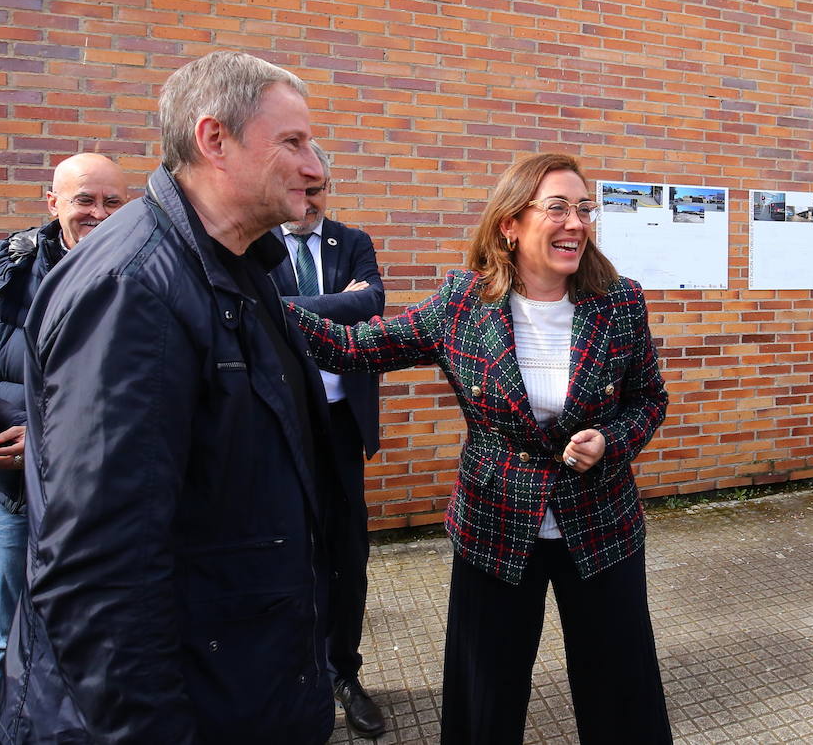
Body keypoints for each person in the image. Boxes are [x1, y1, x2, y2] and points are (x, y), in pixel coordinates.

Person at [0, 51, 337, 743]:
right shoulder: (134, 290)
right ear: (214, 139)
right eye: (293, 143)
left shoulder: (236, 266)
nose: (316, 167)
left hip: (236, 681)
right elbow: (99, 573)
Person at [289, 152, 674, 745]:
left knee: (622, 689)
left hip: (602, 525)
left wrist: (613, 440)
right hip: (495, 523)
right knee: (483, 692)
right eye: (557, 208)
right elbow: (357, 347)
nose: (576, 222)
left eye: (584, 209)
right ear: (510, 224)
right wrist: (264, 306)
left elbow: (649, 398)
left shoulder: (618, 302)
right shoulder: (464, 303)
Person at [270, 141, 387, 739]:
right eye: (299, 188)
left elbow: (375, 302)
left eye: (318, 190)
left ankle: (345, 671)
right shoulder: (259, 246)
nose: (308, 201)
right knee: (292, 552)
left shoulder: (352, 241)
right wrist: (338, 306)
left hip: (342, 427)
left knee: (348, 556)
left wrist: (291, 310)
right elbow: (264, 310)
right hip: (285, 427)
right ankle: (300, 674)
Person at [0, 153, 128, 665]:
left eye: (112, 201)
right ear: (52, 203)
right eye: (84, 200)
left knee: (90, 631)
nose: (99, 212)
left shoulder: (138, 275)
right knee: (10, 630)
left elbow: (132, 384)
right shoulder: (11, 270)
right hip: (15, 494)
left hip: (97, 494)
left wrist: (49, 435)